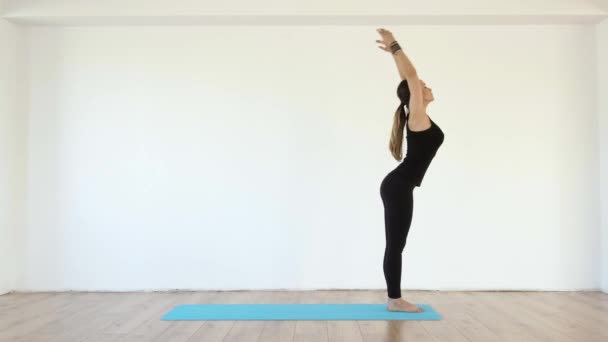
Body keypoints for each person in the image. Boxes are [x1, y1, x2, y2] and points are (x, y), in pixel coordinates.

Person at [376, 28, 445, 313]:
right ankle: (394, 300)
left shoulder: (420, 117)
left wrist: (395, 53)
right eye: (421, 87)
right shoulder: (416, 116)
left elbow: (410, 79)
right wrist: (394, 46)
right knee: (396, 245)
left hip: (400, 185)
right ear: (414, 96)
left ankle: (394, 298)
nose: (426, 87)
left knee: (397, 243)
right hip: (397, 186)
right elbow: (411, 77)